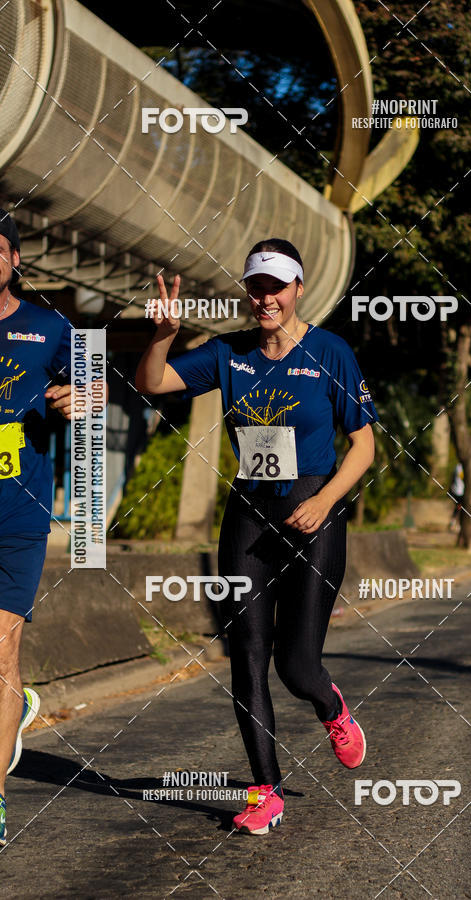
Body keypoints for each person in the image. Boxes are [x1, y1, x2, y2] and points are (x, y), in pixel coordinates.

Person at [135, 238, 378, 835]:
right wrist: (165, 333)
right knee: (245, 657)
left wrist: (324, 501)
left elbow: (365, 446)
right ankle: (264, 791)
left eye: (276, 286)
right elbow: (153, 382)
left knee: (296, 666)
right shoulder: (229, 352)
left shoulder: (330, 352)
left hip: (313, 515)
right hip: (248, 514)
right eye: (256, 286)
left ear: (298, 289)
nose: (265, 297)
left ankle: (331, 706)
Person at [0, 209, 80, 846]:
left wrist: (81, 399)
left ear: (15, 261)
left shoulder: (50, 327)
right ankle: (20, 705)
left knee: (0, 652)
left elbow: (98, 388)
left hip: (20, 513)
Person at [448, 461, 464, 532]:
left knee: (459, 507)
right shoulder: (460, 467)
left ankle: (453, 522)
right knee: (459, 507)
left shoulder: (457, 466)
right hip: (459, 491)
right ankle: (456, 524)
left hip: (457, 490)